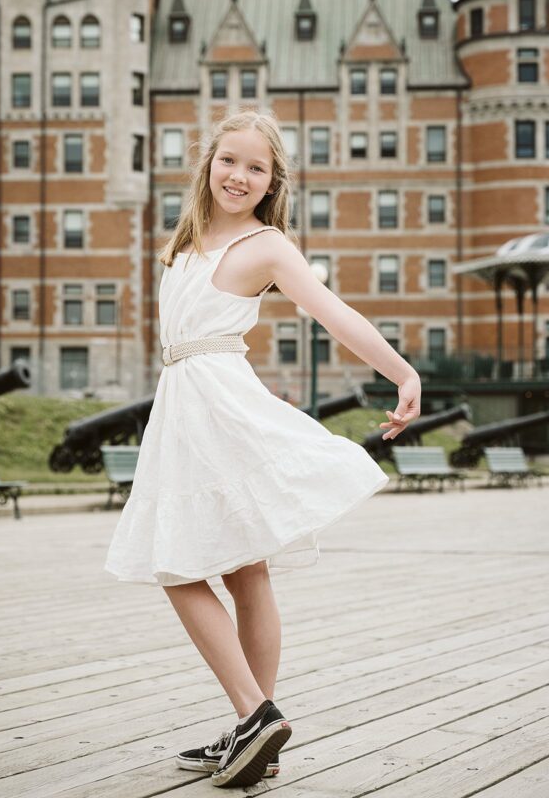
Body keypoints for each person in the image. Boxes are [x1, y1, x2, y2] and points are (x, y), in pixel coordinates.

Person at [104, 108, 421, 788]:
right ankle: (258, 733)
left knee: (176, 565)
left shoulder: (268, 245)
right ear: (207, 164)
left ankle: (254, 715)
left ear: (273, 179)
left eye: (256, 167)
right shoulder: (186, 242)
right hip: (185, 405)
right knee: (245, 572)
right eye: (229, 161)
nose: (239, 175)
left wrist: (401, 371)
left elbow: (333, 312)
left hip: (218, 404)